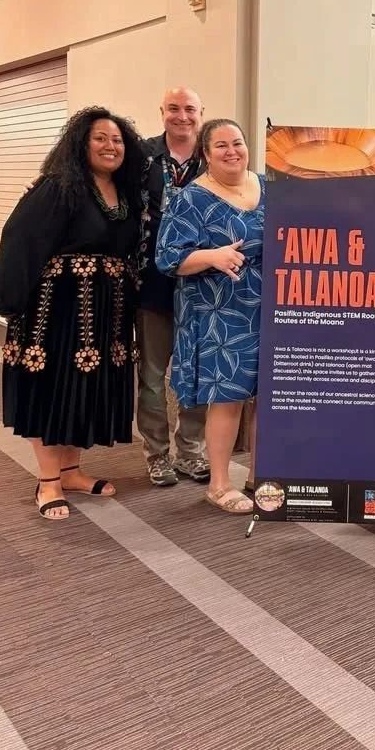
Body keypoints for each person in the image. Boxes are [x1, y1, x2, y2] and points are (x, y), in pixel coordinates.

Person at [0, 107, 145, 519]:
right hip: (56, 311)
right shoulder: (59, 187)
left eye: (117, 139)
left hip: (104, 315)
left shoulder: (124, 193)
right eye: (100, 138)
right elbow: (19, 238)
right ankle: (48, 482)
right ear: (80, 142)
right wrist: (10, 299)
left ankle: (72, 471)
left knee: (81, 391)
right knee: (51, 389)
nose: (110, 146)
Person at [155, 118, 263, 515]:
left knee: (269, 396)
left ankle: (260, 477)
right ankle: (219, 484)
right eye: (221, 145)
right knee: (228, 397)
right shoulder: (190, 198)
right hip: (218, 311)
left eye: (237, 142)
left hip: (270, 307)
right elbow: (167, 258)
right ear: (205, 154)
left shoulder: (267, 186)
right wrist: (211, 256)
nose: (232, 151)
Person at [138, 86, 209, 487]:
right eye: (174, 109)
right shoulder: (142, 156)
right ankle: (157, 455)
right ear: (162, 111)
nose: (182, 116)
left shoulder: (214, 156)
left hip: (202, 283)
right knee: (151, 374)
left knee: (195, 371)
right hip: (152, 281)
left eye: (190, 110)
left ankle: (191, 452)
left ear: (202, 113)